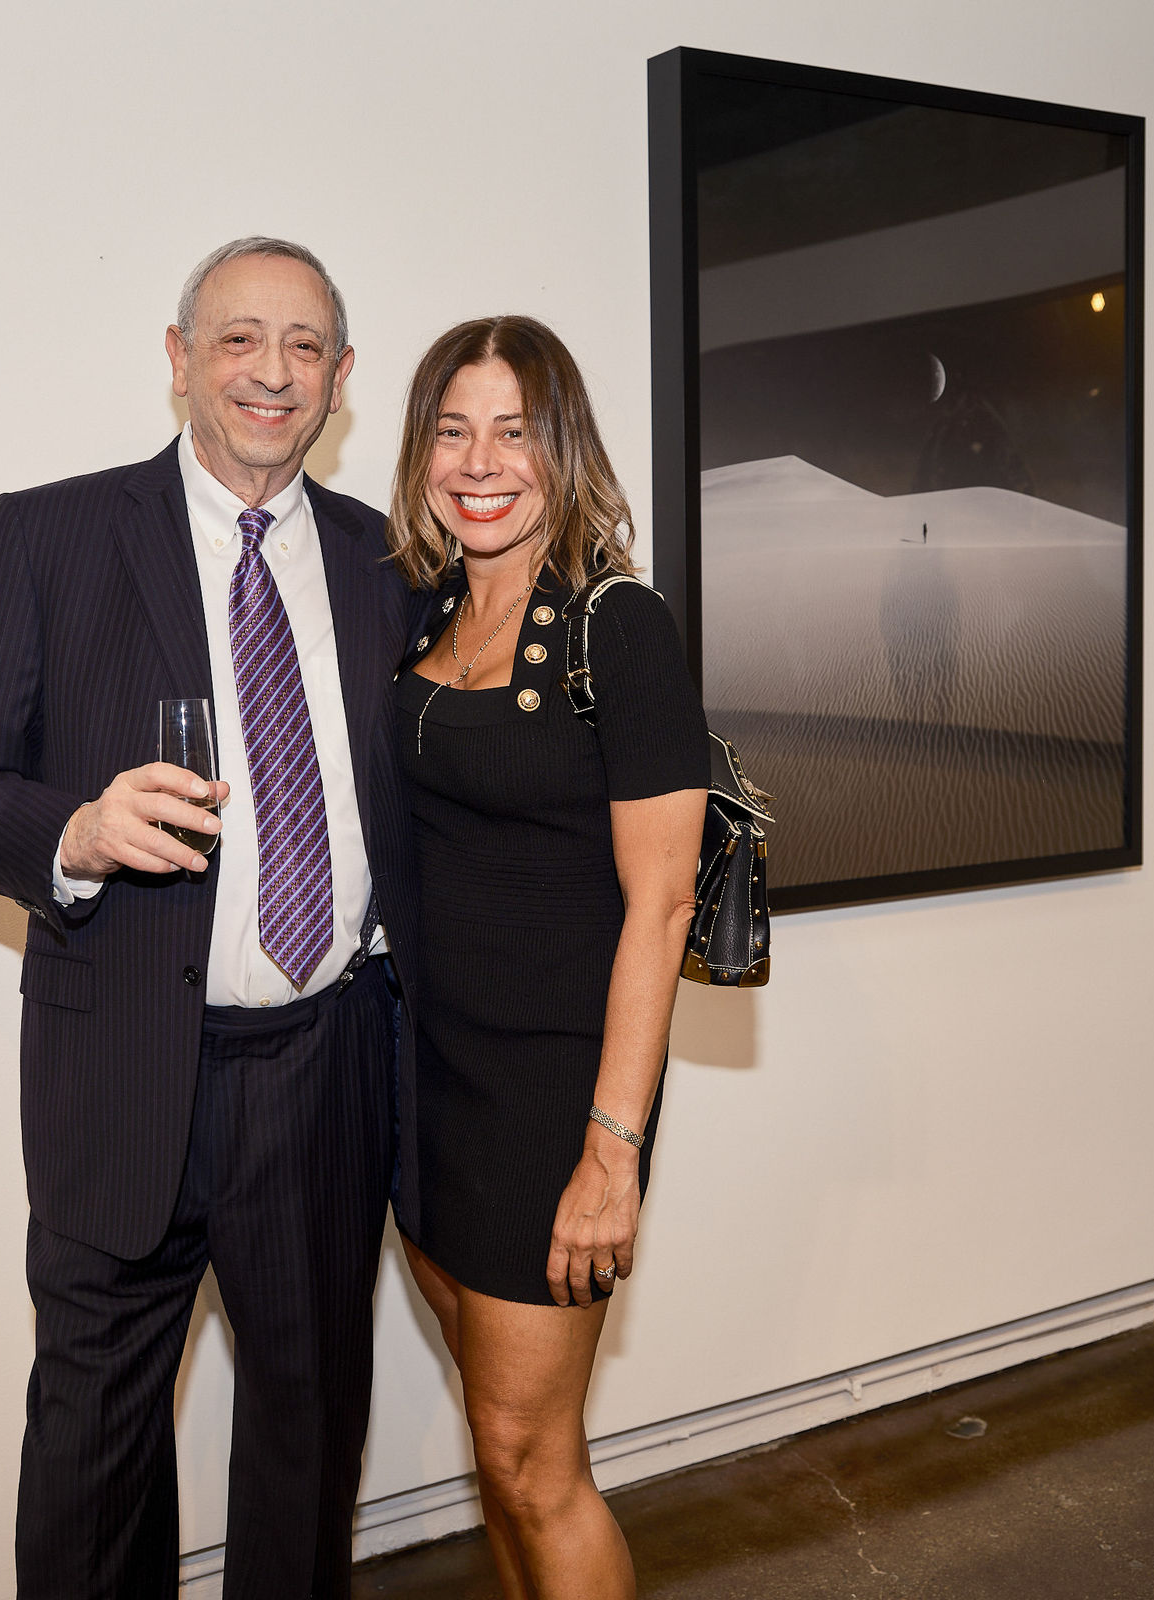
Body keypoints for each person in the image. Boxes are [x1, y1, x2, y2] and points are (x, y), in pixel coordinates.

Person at [0, 237, 418, 1600]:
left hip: (327, 1069)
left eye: (305, 346)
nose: (272, 371)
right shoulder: (51, 534)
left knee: (307, 1451)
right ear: (181, 357)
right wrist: (72, 835)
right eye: (240, 338)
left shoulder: (389, 564)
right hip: (120, 1066)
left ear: (343, 379)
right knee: (92, 1468)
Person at [386, 316, 709, 1599]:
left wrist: (610, 1152)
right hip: (428, 1084)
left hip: (550, 1102)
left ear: (560, 446)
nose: (480, 460)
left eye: (513, 430)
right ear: (418, 454)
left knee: (535, 1460)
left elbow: (664, 902)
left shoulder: (616, 626)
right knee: (495, 1448)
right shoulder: (423, 610)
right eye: (453, 429)